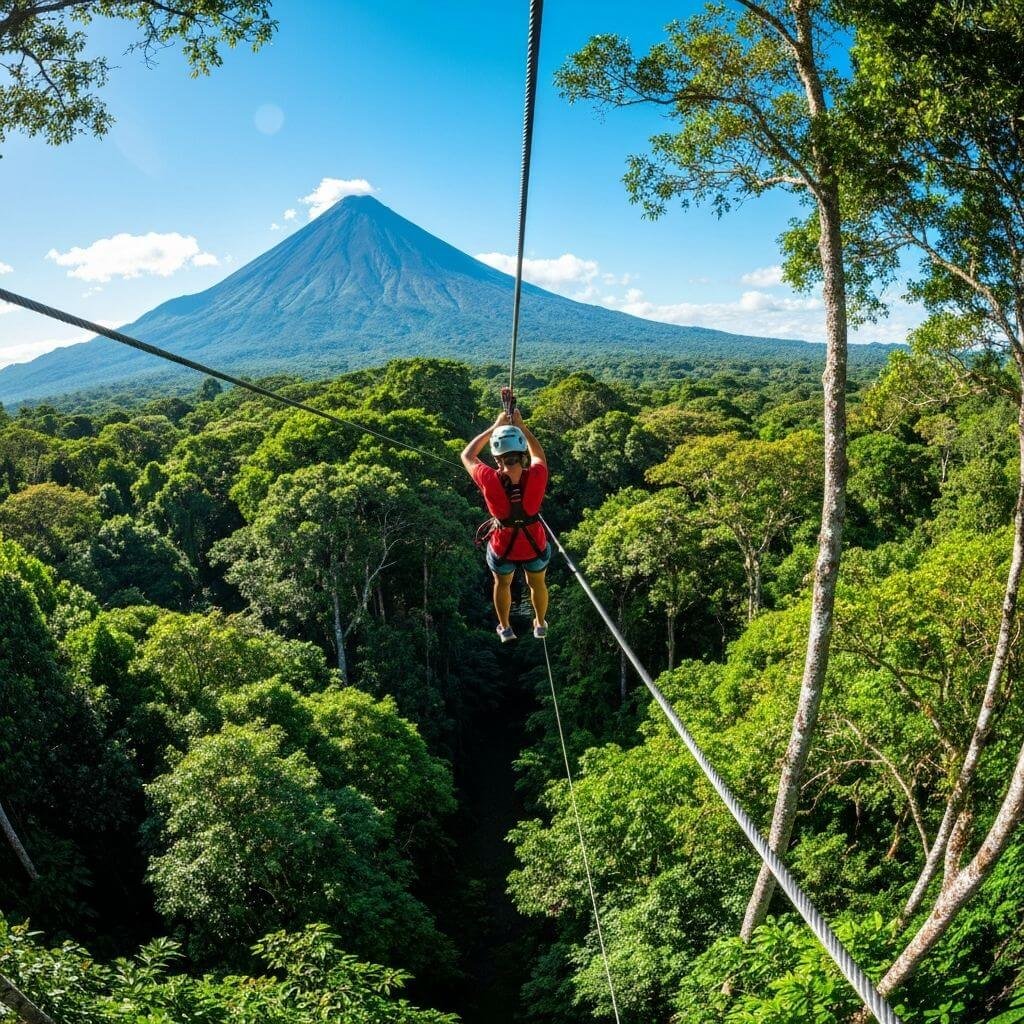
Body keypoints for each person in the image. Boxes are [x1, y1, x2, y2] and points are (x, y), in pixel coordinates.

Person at [461, 405, 550, 642]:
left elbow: (467, 455)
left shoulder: (489, 478)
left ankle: (505, 627)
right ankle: (540, 624)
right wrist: (521, 426)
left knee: (502, 583)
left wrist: (495, 426)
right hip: (534, 545)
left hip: (503, 546)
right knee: (537, 583)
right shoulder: (537, 475)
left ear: (496, 458)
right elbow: (539, 454)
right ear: (522, 454)